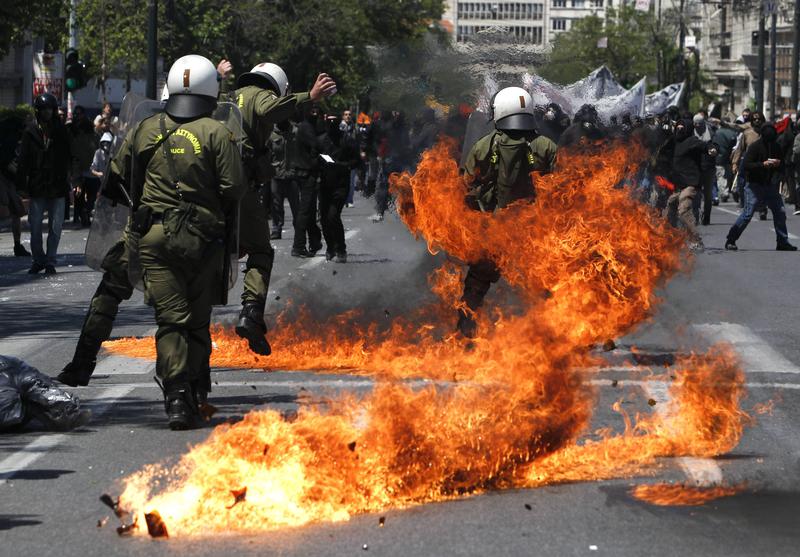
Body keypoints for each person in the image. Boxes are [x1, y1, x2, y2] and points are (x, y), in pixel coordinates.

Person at [117, 54, 245, 429]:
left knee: (170, 319)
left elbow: (120, 176)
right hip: (203, 240)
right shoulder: (217, 132)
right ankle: (196, 384)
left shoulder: (144, 128)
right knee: (197, 318)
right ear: (211, 89)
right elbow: (234, 187)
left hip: (154, 238)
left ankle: (176, 396)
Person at [232, 62, 336, 354]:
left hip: (209, 184)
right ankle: (251, 313)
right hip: (239, 184)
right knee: (261, 250)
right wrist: (309, 96)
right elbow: (271, 110)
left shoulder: (229, 97)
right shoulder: (258, 95)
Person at [457, 86, 557, 338]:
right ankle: (561, 331)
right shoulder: (546, 146)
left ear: (500, 111)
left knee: (478, 281)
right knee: (547, 281)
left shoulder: (485, 145)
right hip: (534, 229)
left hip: (496, 229)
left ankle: (466, 329)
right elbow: (564, 189)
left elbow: (465, 183)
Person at [15, 93, 71, 275]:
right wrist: (21, 186)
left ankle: (50, 261)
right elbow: (23, 160)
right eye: (44, 109)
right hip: (37, 186)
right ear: (38, 111)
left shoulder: (61, 131)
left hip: (57, 185)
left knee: (56, 226)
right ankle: (38, 260)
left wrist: (73, 180)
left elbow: (70, 157)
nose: (47, 113)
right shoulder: (30, 132)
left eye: (50, 109)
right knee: (36, 226)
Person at [725, 123, 797, 252]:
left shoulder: (776, 147)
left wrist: (778, 166)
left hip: (770, 185)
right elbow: (746, 165)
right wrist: (763, 164)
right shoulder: (755, 147)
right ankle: (731, 239)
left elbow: (782, 166)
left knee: (780, 212)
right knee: (747, 214)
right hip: (754, 185)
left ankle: (782, 242)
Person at [664, 119, 715, 252]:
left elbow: (705, 146)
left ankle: (696, 240)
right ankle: (670, 238)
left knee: (683, 209)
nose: (679, 130)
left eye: (682, 128)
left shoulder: (691, 141)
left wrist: (712, 149)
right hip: (677, 184)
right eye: (678, 128)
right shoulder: (673, 142)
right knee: (669, 208)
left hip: (691, 183)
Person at [318, 115, 360, 262]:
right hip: (324, 184)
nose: (330, 123)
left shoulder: (347, 140)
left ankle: (341, 249)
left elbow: (356, 161)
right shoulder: (321, 140)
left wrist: (342, 165)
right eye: (328, 121)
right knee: (324, 218)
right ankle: (330, 247)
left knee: (333, 216)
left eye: (333, 121)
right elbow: (313, 158)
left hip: (341, 184)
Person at [268, 119, 301, 240]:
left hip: (292, 174)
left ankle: (299, 229)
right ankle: (276, 229)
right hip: (276, 174)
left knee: (295, 204)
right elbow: (268, 153)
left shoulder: (296, 132)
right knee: (276, 205)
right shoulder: (272, 134)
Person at [68, 105, 99, 227]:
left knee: (92, 194)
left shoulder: (90, 129)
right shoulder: (71, 130)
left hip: (90, 168)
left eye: (80, 114)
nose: (77, 116)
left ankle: (86, 211)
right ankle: (80, 215)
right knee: (78, 194)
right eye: (76, 114)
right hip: (77, 168)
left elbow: (96, 144)